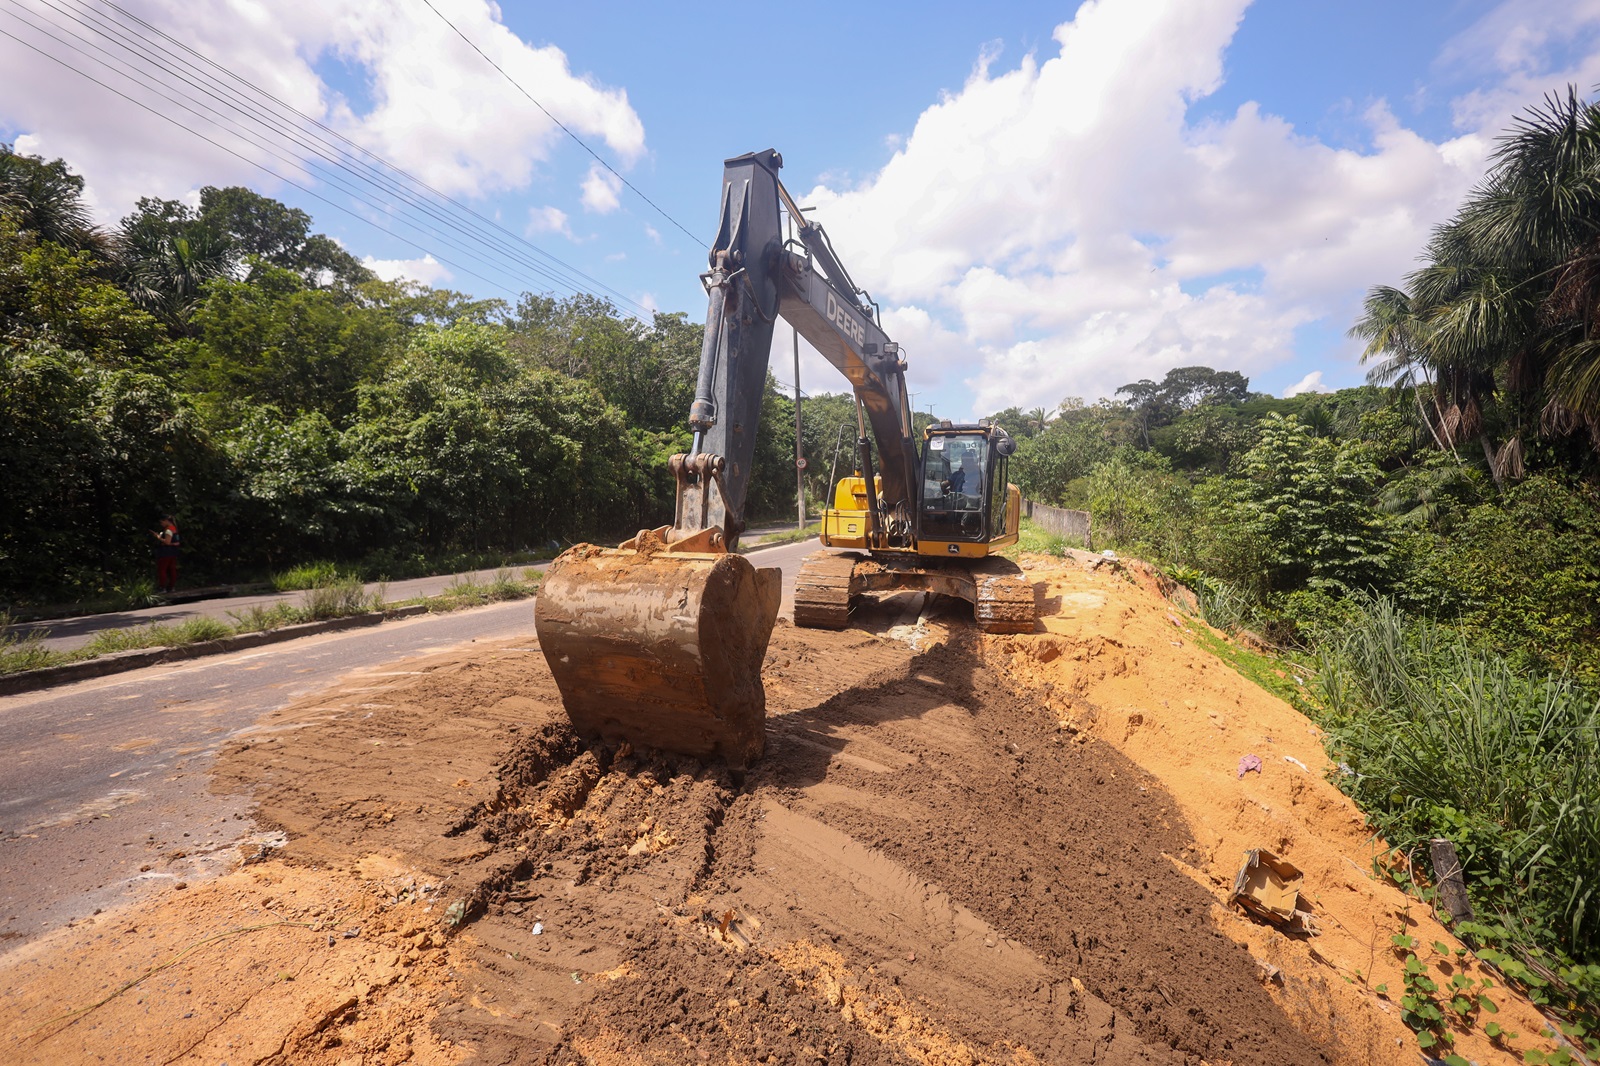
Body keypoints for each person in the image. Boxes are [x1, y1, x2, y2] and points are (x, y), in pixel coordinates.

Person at [151, 515, 181, 594]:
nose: (161, 524)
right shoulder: (174, 529)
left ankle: (162, 587)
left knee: (162, 569)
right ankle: (171, 586)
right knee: (172, 569)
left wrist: (158, 537)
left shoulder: (168, 530)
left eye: (162, 522)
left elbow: (167, 542)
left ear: (166, 521)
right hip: (173, 552)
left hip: (166, 552)